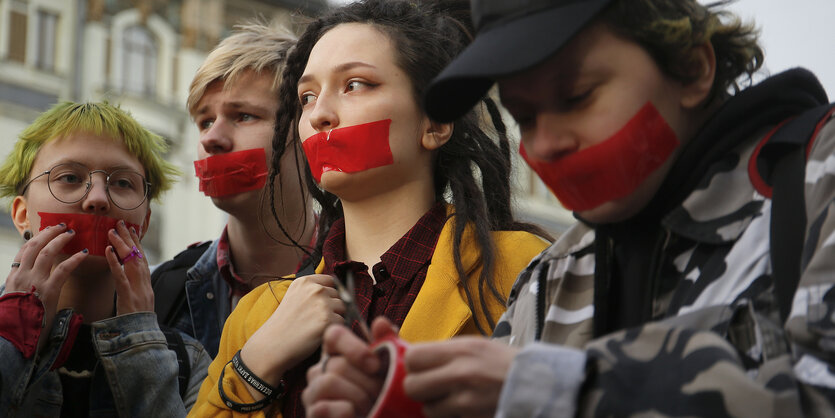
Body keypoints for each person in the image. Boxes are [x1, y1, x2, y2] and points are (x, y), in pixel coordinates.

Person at [302, 0, 835, 416]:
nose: (547, 144)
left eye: (577, 96)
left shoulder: (816, 185)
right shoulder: (555, 276)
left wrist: (570, 392)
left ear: (692, 67)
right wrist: (406, 404)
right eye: (525, 116)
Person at [188, 0, 550, 416]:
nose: (320, 113)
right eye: (306, 96)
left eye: (355, 84)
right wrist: (256, 367)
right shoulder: (259, 312)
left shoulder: (522, 270)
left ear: (434, 123)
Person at [0, 101, 211, 416]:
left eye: (122, 183)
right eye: (69, 178)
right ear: (20, 215)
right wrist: (12, 339)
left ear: (145, 222)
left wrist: (142, 346)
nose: (97, 198)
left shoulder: (189, 362)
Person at [152, 23, 317, 359]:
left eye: (243, 116)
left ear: (305, 131)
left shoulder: (368, 282)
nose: (210, 139)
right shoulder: (160, 293)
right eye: (205, 121)